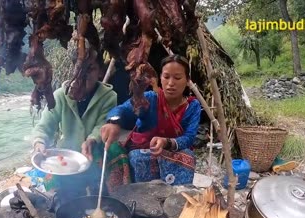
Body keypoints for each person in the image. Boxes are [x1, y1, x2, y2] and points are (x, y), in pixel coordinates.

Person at [31, 42, 117, 203]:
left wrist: (91, 140)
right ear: (74, 69)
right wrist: (39, 142)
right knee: (62, 193)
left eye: (90, 69)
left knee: (101, 179)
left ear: (99, 71)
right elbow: (44, 126)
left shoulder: (109, 96)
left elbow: (102, 125)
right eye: (80, 68)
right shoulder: (60, 96)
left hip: (95, 149)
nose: (83, 75)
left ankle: (103, 198)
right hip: (68, 153)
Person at [100, 54, 201, 187]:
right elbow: (123, 109)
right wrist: (113, 122)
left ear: (187, 80)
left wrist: (166, 142)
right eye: (166, 77)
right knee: (135, 157)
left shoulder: (192, 106)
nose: (171, 83)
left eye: (177, 78)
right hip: (145, 152)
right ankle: (139, 196)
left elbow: (189, 138)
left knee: (187, 157)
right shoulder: (150, 99)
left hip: (172, 152)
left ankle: (176, 197)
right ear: (160, 78)